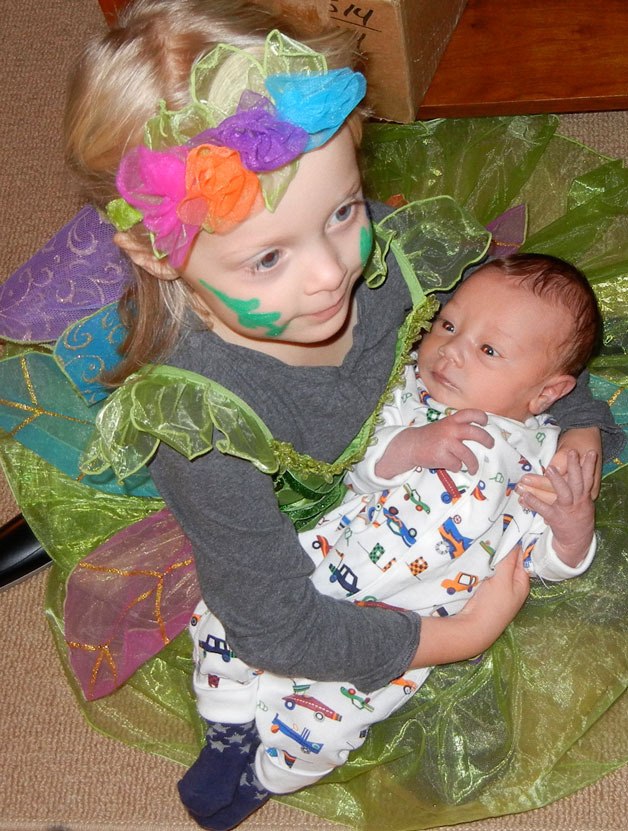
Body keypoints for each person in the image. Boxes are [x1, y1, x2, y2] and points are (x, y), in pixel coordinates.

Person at [7, 0, 618, 829]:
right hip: (275, 554)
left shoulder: (390, 264)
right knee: (236, 647)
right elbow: (281, 631)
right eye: (268, 256)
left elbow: (516, 350)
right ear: (161, 254)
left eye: (343, 210)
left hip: (398, 492)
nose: (331, 275)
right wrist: (457, 637)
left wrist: (578, 423)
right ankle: (238, 747)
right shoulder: (204, 436)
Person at [187, 253, 600, 802]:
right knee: (222, 620)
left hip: (409, 619)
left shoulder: (542, 457)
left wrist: (573, 526)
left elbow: (547, 562)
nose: (450, 350)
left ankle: (265, 780)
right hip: (323, 557)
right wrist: (411, 446)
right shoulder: (407, 393)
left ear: (546, 393)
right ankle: (227, 727)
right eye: (449, 325)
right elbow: (354, 459)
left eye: (488, 349)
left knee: (327, 721)